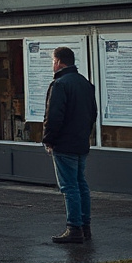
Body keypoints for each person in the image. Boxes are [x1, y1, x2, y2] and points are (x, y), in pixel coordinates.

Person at [42, 46, 98, 244]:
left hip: (64, 143)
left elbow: (54, 117)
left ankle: (73, 228)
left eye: (53, 61)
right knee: (81, 184)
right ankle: (84, 226)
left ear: (58, 62)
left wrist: (48, 139)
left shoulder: (59, 84)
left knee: (69, 187)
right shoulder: (85, 83)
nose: (52, 65)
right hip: (81, 142)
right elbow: (93, 114)